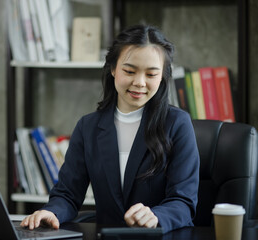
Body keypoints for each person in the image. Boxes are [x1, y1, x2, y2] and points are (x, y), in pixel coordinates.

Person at [20, 24, 200, 233]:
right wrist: (52, 212)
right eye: (129, 71)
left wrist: (157, 216)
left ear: (162, 77)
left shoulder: (177, 124)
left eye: (151, 74)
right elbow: (67, 194)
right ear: (113, 68)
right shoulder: (88, 127)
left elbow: (184, 201)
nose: (139, 82)